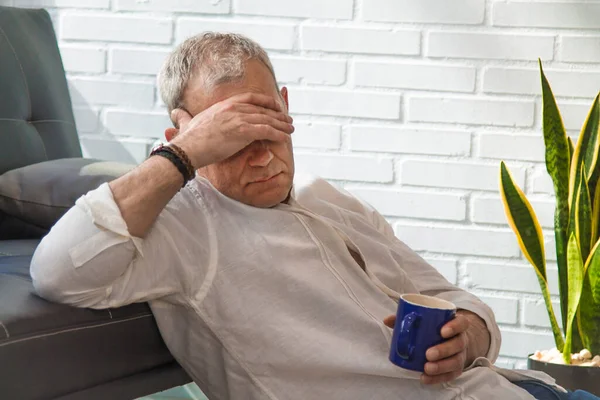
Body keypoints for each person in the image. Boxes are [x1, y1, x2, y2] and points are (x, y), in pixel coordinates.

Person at [30, 33, 598, 400]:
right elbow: (57, 270)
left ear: (284, 103)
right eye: (232, 135)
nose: (260, 153)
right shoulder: (183, 232)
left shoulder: (332, 202)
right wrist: (179, 157)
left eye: (268, 122)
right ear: (186, 133)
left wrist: (472, 335)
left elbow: (452, 297)